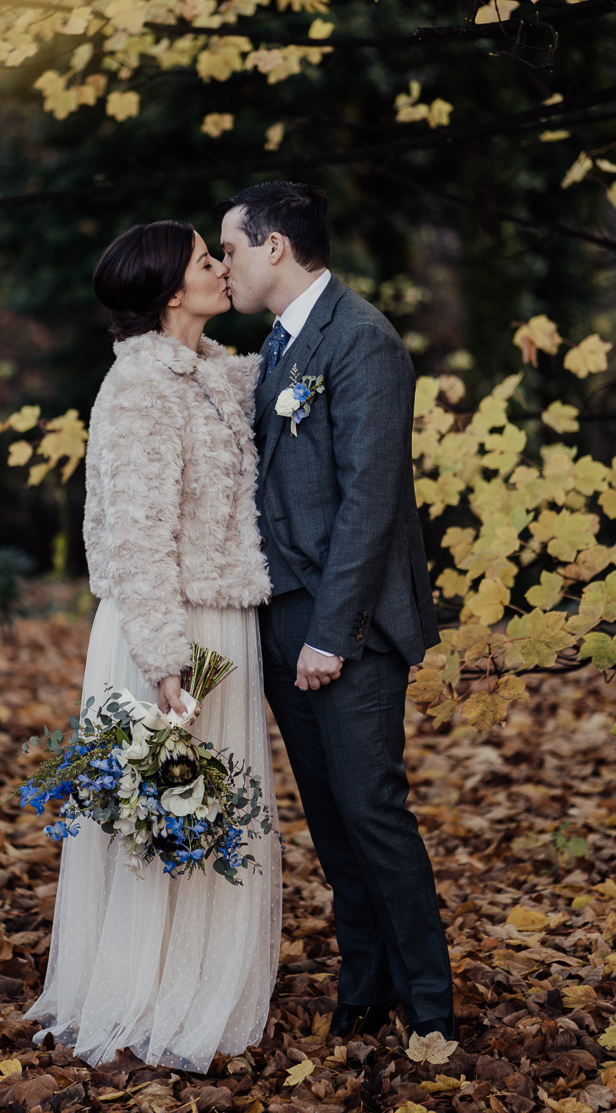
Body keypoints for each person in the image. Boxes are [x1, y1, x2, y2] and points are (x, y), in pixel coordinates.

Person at [25, 221, 282, 1073]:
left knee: (213, 812)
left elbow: (269, 377)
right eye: (209, 260)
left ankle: (201, 985)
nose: (222, 268)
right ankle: (145, 995)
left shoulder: (209, 373)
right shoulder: (139, 387)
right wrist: (164, 662)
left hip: (222, 619)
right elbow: (136, 539)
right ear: (174, 290)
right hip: (163, 630)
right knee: (161, 813)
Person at [216, 181, 456, 1041]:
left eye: (231, 249)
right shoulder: (277, 346)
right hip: (282, 619)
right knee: (329, 819)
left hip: (346, 627)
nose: (223, 267)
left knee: (372, 812)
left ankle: (431, 1006)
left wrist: (331, 635)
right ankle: (365, 985)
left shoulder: (363, 340)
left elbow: (371, 503)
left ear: (275, 246)